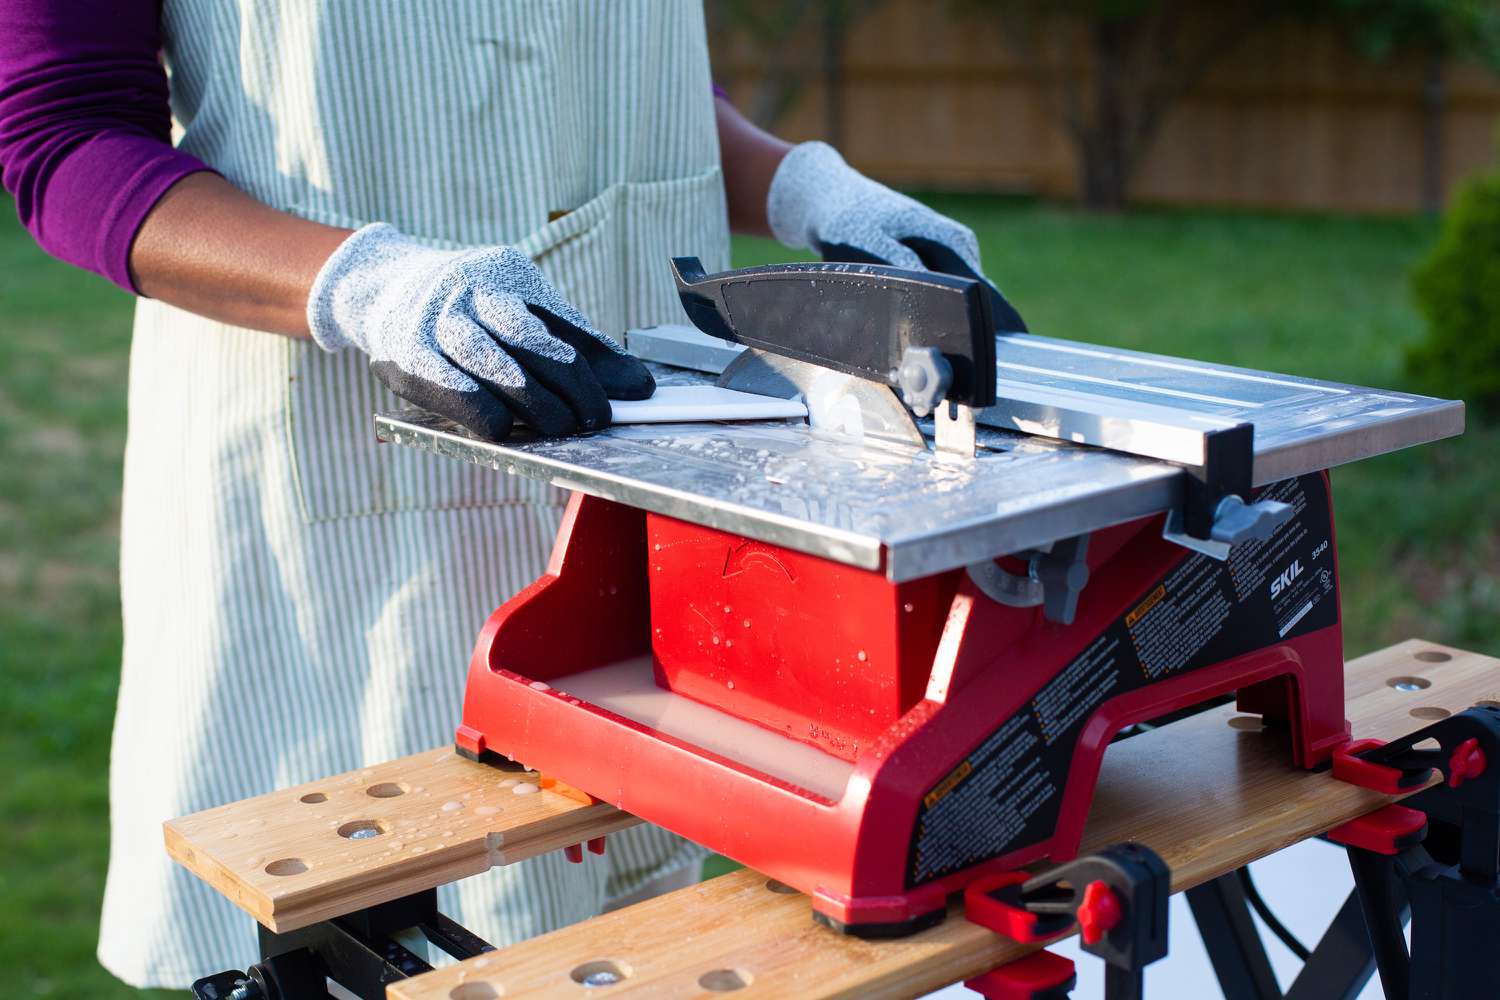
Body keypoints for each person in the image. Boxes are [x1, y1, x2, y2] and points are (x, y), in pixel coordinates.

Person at [0, 1, 998, 988]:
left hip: (652, 490)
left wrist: (798, 184)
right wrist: (364, 285)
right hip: (338, 502)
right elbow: (65, 135)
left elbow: (603, 76)